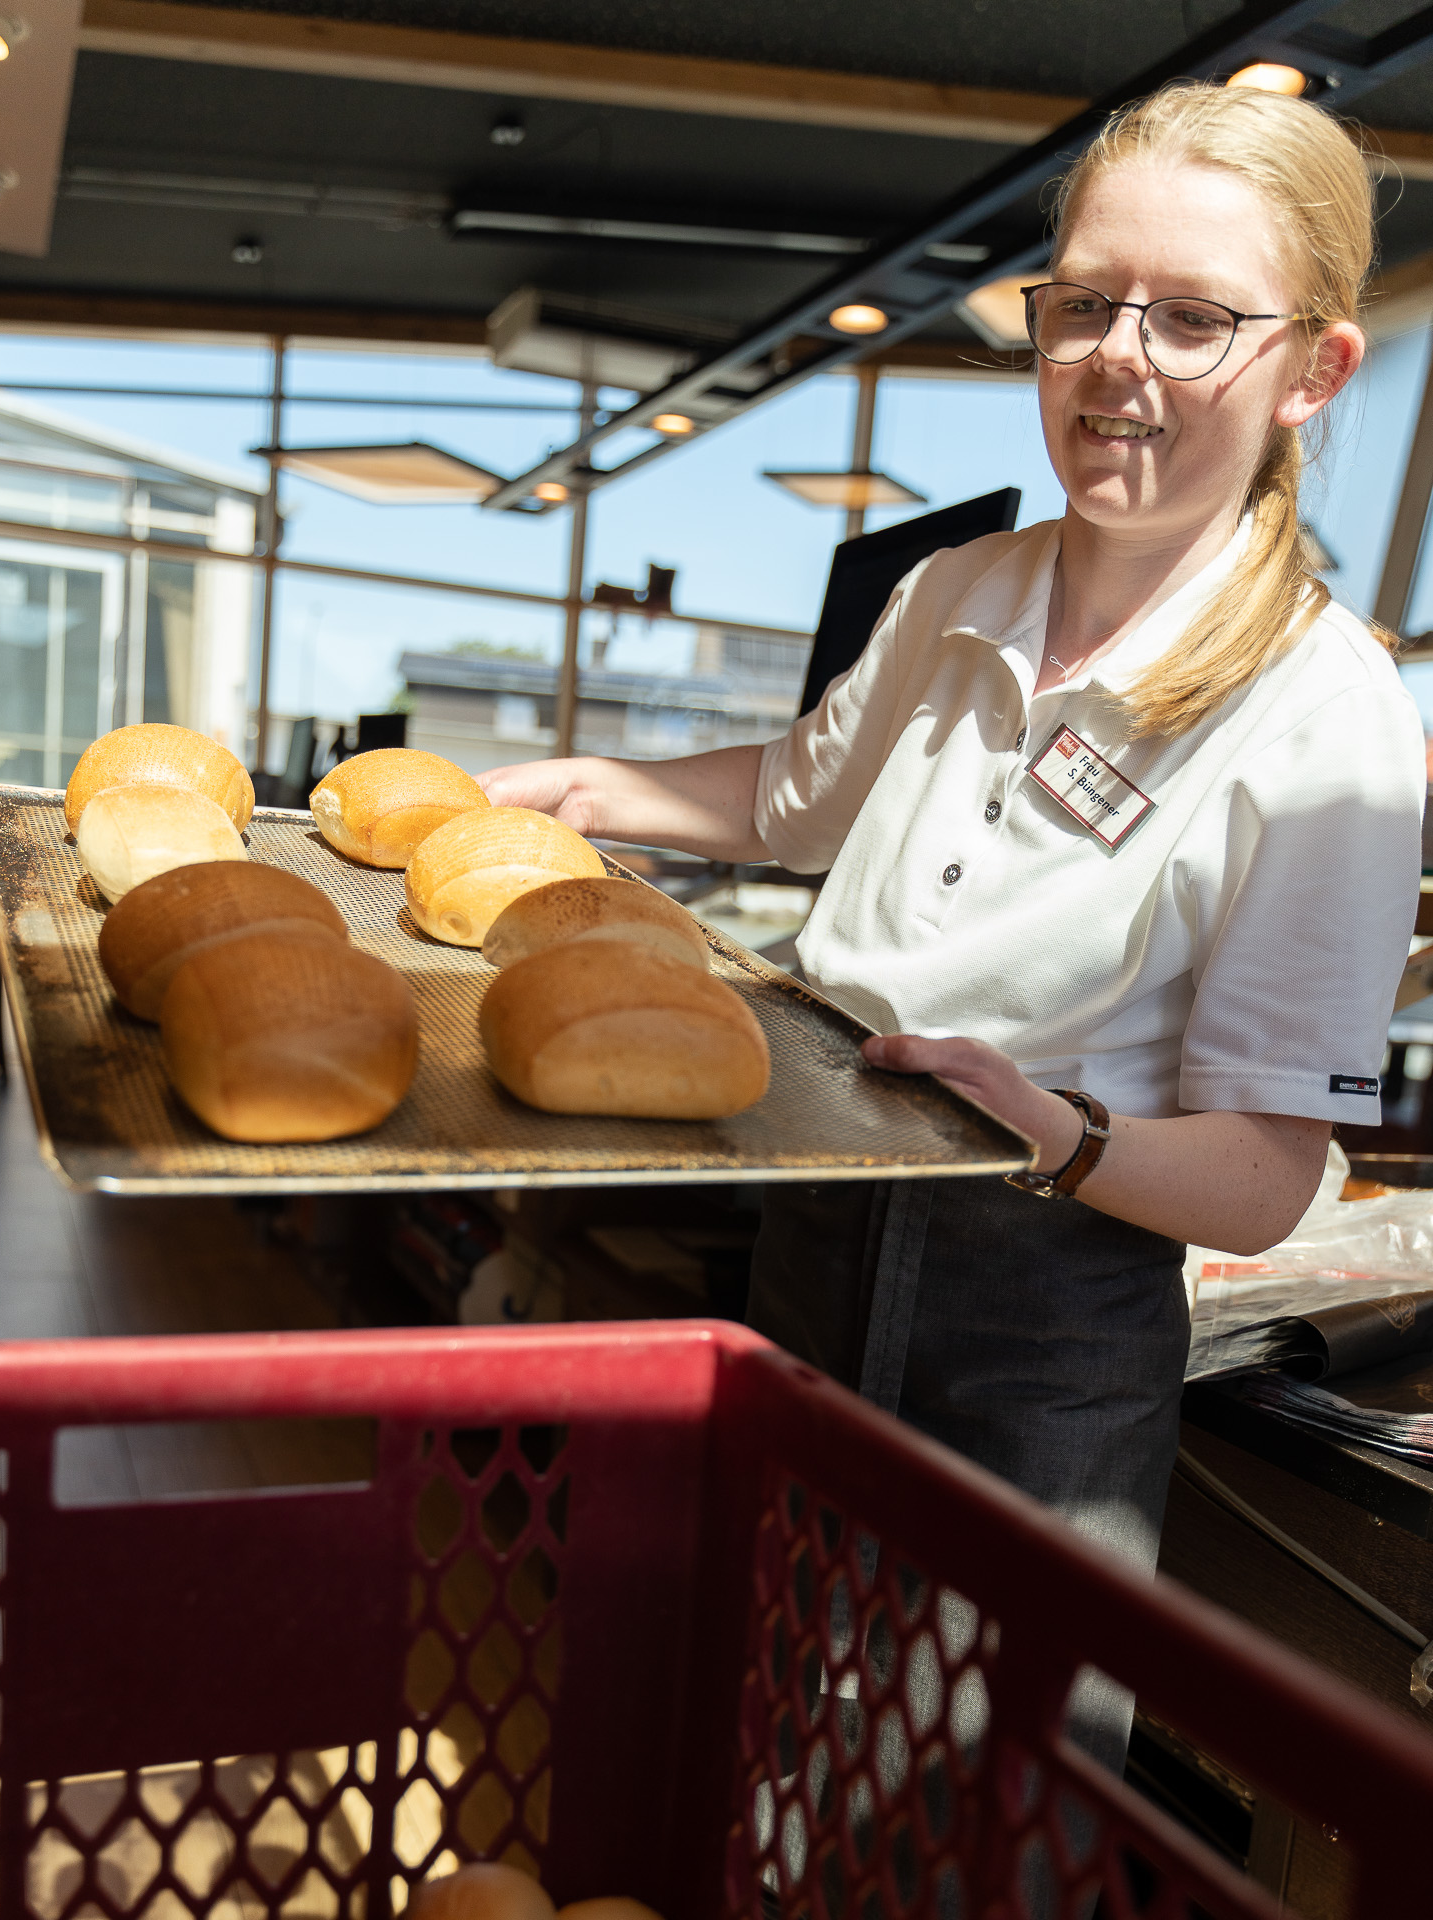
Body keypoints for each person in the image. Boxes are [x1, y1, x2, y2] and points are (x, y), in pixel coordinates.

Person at [478, 82, 1426, 1763]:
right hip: (809, 1235)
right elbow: (799, 798)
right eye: (1083, 302)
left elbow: (1271, 1179)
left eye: (1193, 319)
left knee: (974, 1795)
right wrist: (592, 791)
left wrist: (1054, 1137)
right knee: (743, 1726)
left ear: (1313, 370)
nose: (1115, 355)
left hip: (1041, 1322)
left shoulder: (1329, 719)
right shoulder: (956, 592)